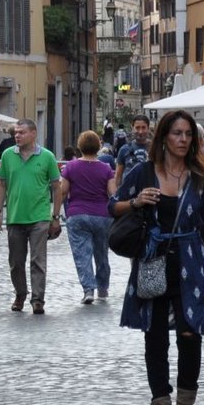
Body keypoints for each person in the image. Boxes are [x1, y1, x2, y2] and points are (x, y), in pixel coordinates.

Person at [110, 109, 204, 405]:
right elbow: (113, 206)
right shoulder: (143, 172)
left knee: (191, 335)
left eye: (188, 134)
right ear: (164, 136)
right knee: (156, 337)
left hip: (190, 263)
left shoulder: (201, 176)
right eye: (177, 133)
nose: (183, 140)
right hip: (153, 261)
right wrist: (136, 201)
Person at [0, 118, 62, 314]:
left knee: (38, 261)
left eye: (21, 132)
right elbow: (2, 184)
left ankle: (38, 299)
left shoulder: (47, 156)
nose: (17, 135)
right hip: (15, 216)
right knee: (15, 261)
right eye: (16, 132)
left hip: (39, 217)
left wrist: (55, 217)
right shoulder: (7, 155)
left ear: (33, 134)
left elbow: (57, 188)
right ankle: (20, 293)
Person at [59, 130, 116, 304]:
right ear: (99, 147)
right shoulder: (106, 169)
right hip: (102, 215)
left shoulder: (70, 167)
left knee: (82, 254)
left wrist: (55, 213)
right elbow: (113, 194)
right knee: (102, 253)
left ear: (79, 147)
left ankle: (88, 289)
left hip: (77, 214)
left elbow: (63, 191)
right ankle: (103, 288)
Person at [114, 115, 152, 186]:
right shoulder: (124, 149)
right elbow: (118, 176)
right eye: (137, 128)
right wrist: (118, 195)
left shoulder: (156, 149)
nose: (140, 131)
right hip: (129, 195)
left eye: (143, 128)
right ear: (132, 128)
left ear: (148, 129)